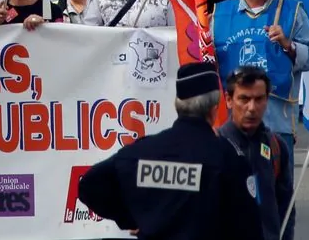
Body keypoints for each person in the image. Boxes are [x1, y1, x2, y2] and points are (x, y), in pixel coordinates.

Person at [77, 62, 263, 240]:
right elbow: (248, 228)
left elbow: (89, 185)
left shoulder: (139, 152)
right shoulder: (228, 158)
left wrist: (133, 218)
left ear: (177, 105)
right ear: (214, 109)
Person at [212, 0, 309, 179]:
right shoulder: (218, 14)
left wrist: (288, 45)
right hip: (230, 126)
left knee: (278, 199)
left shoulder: (291, 11)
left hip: (276, 124)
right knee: (232, 197)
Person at [219, 66, 294, 240]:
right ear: (229, 100)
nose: (252, 108)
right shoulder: (214, 145)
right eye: (244, 99)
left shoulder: (276, 147)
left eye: (259, 99)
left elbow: (286, 209)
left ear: (267, 100)